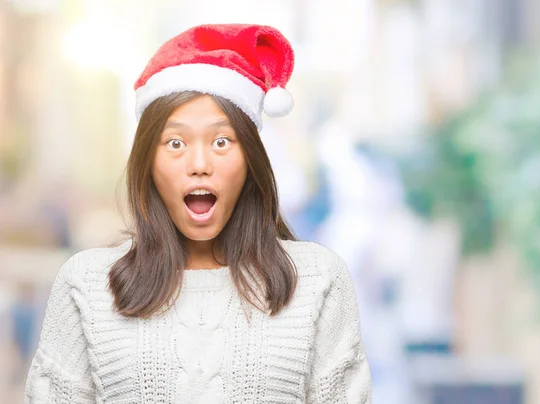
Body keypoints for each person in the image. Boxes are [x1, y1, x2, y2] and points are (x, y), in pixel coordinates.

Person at [24, 23, 372, 403]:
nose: (199, 164)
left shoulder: (317, 279)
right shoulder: (87, 284)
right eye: (175, 143)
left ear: (250, 160)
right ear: (148, 163)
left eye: (222, 141)